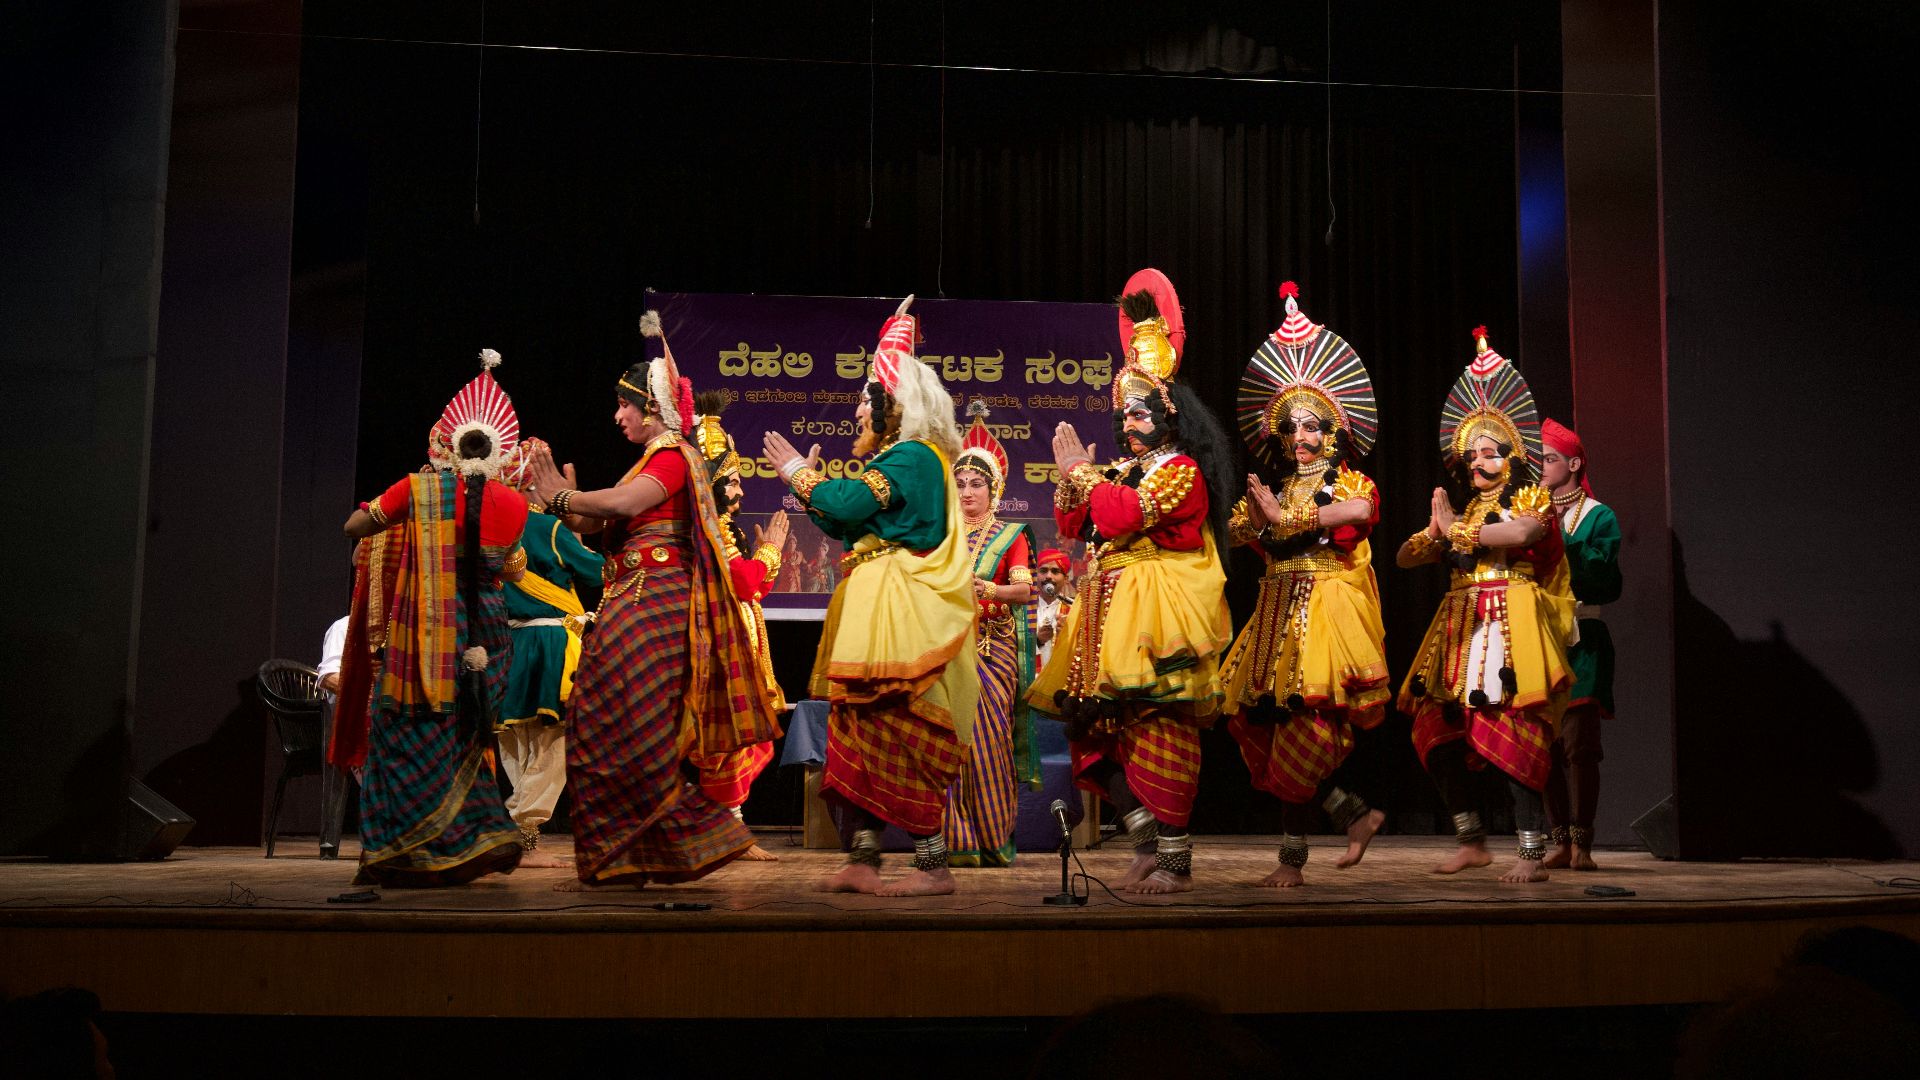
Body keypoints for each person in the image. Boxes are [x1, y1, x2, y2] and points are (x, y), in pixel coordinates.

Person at [522, 313, 782, 890]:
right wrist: (563, 501)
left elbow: (621, 504)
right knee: (599, 726)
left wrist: (563, 494)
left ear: (652, 406)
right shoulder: (646, 457)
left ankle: (685, 840)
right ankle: (632, 852)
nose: (617, 416)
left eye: (625, 405)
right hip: (627, 604)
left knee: (637, 730)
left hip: (655, 608)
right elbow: (594, 519)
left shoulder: (672, 457)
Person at [760, 295, 977, 897]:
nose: (857, 410)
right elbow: (841, 519)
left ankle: (933, 867)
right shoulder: (903, 460)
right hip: (875, 607)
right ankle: (863, 857)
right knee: (858, 725)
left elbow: (845, 505)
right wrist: (816, 488)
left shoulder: (914, 456)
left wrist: (797, 477)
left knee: (901, 723)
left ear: (895, 407)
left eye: (865, 399)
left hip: (900, 612)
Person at [1029, 269, 1235, 895]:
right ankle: (1145, 838)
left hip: (1157, 615)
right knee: (1090, 728)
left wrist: (1087, 478)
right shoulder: (1121, 466)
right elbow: (1073, 521)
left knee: (1158, 723)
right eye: (1122, 409)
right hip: (1105, 611)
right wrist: (1077, 477)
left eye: (1140, 409)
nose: (1129, 419)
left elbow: (1118, 515)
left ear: (1169, 414)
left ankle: (1175, 857)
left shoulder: (1181, 471)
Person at [1220, 282, 1390, 886]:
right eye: (1290, 426)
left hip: (1322, 613)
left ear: (1334, 429)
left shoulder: (1349, 481)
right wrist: (1262, 520)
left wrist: (1283, 520)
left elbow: (1357, 516)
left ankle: (1292, 865)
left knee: (1302, 723)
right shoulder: (1273, 483)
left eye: (1312, 424)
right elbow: (1241, 526)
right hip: (1273, 613)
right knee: (1253, 718)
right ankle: (1352, 812)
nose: (1300, 436)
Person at [338, 348, 529, 887]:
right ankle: (469, 842)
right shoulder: (514, 505)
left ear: (446, 443)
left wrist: (401, 523)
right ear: (499, 450)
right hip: (488, 631)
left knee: (405, 731)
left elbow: (355, 527)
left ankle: (400, 851)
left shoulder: (415, 490)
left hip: (425, 630)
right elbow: (513, 569)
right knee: (468, 736)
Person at [1396, 327, 1576, 882]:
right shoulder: (1464, 507)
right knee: (1435, 725)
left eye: (1490, 451)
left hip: (1510, 617)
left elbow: (1524, 533)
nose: (1478, 459)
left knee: (1513, 727)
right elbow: (1406, 558)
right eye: (1472, 451)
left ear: (1510, 456)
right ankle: (1471, 838)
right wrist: (1433, 535)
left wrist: (1461, 537)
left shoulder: (1529, 495)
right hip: (1460, 624)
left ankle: (1529, 852)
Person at [489, 436, 604, 868]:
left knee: (515, 736)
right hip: (552, 641)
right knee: (553, 740)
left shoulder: (496, 526)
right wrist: (574, 527)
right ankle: (520, 829)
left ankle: (517, 831)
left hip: (509, 640)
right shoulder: (548, 527)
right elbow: (596, 570)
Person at [687, 391, 790, 861]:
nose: (741, 491)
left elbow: (754, 590)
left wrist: (765, 557)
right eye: (732, 481)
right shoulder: (706, 532)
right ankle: (725, 833)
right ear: (710, 484)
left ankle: (727, 829)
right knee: (727, 741)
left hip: (740, 645)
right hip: (718, 651)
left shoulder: (723, 531)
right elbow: (744, 583)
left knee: (748, 739)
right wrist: (769, 551)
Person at [944, 402, 1040, 866]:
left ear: (994, 488)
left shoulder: (1011, 535)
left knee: (987, 742)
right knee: (947, 741)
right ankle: (956, 840)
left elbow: (1024, 590)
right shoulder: (939, 535)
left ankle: (993, 837)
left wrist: (992, 588)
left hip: (990, 650)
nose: (966, 491)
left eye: (976, 483)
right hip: (943, 652)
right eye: (960, 483)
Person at [1538, 417, 1622, 870]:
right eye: (1540, 459)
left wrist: (1557, 535)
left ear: (1573, 463)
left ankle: (1584, 842)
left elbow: (1603, 579)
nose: (1542, 467)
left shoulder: (1598, 516)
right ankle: (1560, 840)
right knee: (1546, 746)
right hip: (1541, 639)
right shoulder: (1530, 509)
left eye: (1550, 459)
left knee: (1580, 746)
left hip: (1582, 638)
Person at [1033, 548, 1073, 670]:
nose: (1048, 576)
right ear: (1036, 575)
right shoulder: (1023, 608)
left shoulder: (1075, 609)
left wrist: (1067, 634)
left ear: (1066, 578)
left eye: (1055, 571)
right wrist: (1038, 640)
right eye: (1043, 571)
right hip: (1029, 682)